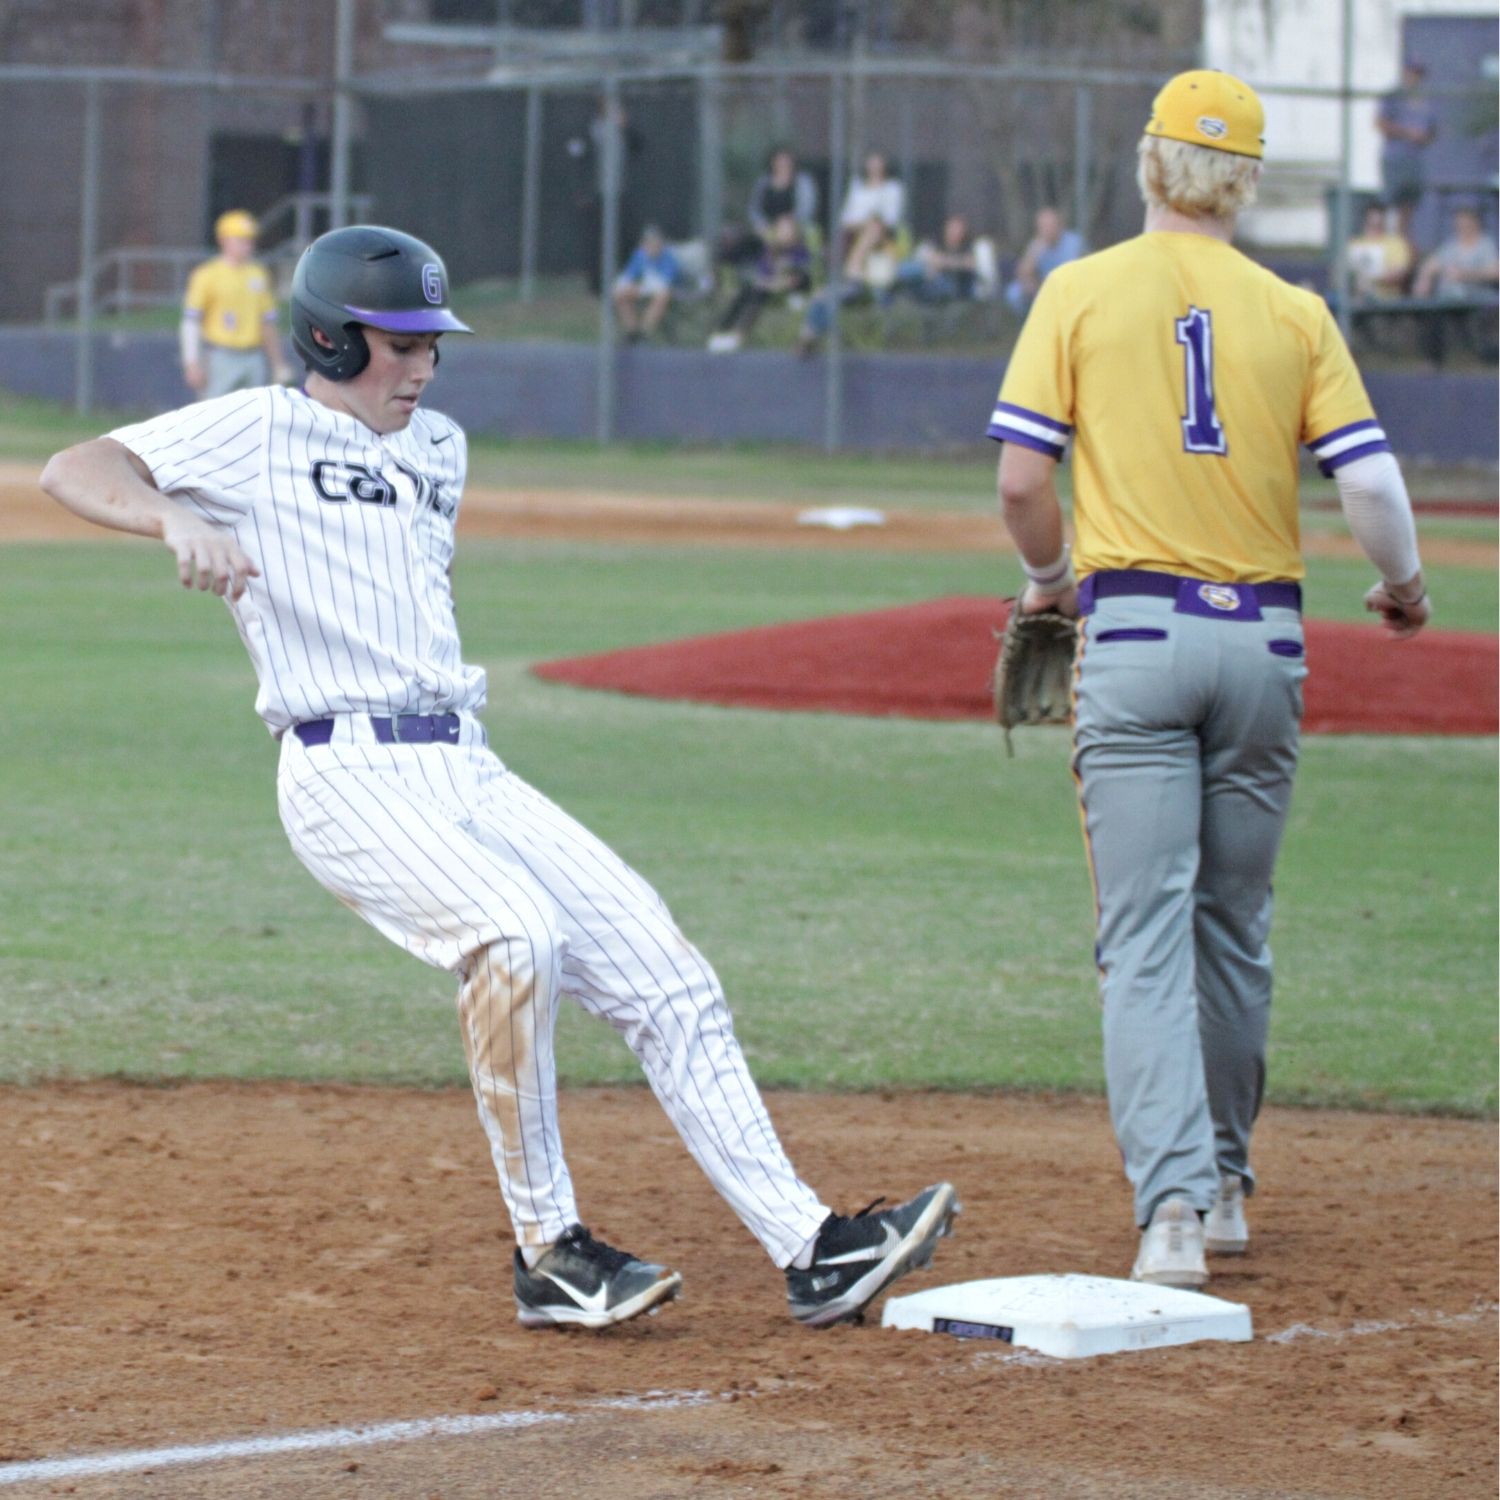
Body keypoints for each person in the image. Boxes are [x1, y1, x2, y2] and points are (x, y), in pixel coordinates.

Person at [39, 223, 958, 1332]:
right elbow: (76, 467)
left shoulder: (440, 448)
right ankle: (549, 1251)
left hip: (464, 764)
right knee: (516, 938)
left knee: (668, 975)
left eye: (434, 343)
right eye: (401, 343)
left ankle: (813, 1246)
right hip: (345, 773)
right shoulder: (255, 428)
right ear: (330, 341)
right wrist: (173, 513)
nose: (424, 365)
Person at [987, 71, 1430, 1289]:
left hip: (1135, 636)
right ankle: (1227, 1187)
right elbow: (1371, 484)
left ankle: (1173, 1213)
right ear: (1246, 182)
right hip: (1265, 646)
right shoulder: (1296, 311)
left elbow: (1023, 482)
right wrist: (1402, 586)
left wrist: (1048, 581)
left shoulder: (1080, 288)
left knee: (1143, 938)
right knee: (1234, 927)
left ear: (1150, 164)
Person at [180, 210, 292, 398]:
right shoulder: (206, 275)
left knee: (254, 409)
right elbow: (192, 321)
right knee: (215, 410)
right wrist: (192, 362)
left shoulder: (258, 274)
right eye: (241, 240)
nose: (247, 245)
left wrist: (278, 363)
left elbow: (267, 322)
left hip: (253, 355)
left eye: (250, 240)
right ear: (223, 240)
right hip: (220, 355)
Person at [707, 214, 812, 351]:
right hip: (769, 285)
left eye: (788, 230)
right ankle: (722, 330)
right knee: (746, 291)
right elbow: (763, 272)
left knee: (760, 293)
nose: (785, 234)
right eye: (782, 230)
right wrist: (766, 282)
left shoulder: (800, 252)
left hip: (786, 291)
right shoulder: (771, 251)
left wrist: (774, 283)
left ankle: (739, 336)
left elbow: (797, 278)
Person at [1376, 60, 1437, 239]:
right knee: (1389, 201)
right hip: (1395, 158)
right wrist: (1406, 132)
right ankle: (1382, 240)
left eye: (1417, 73)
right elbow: (1380, 123)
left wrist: (1424, 137)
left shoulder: (1426, 100)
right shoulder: (1393, 96)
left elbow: (1432, 130)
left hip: (1415, 160)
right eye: (1411, 72)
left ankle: (1401, 243)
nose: (1414, 77)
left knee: (1408, 206)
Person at [1004, 206, 1085, 314]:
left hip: (1069, 287)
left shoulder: (1074, 243)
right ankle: (1029, 320)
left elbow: (1078, 274)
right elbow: (1022, 273)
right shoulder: (1036, 245)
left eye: (1050, 225)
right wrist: (1033, 256)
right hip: (1044, 287)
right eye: (1043, 226)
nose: (1046, 230)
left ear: (1059, 226)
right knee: (1014, 292)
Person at [838, 152, 906, 279]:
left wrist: (872, 221)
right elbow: (846, 219)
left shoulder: (893, 188)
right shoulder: (857, 188)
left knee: (874, 227)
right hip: (855, 231)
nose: (875, 167)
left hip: (883, 234)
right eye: (872, 163)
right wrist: (864, 223)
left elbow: (891, 219)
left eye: (878, 163)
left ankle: (853, 267)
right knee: (870, 227)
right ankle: (855, 268)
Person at [888, 213, 982, 305]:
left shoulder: (968, 246)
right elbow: (928, 257)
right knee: (911, 270)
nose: (955, 232)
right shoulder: (937, 241)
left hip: (952, 285)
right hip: (930, 280)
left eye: (958, 229)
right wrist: (941, 263)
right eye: (952, 228)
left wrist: (943, 262)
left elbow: (970, 263)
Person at [612, 224, 681, 342]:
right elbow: (628, 276)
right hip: (644, 288)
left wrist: (641, 288)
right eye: (648, 243)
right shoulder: (639, 256)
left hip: (664, 290)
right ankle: (632, 331)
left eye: (655, 243)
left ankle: (645, 331)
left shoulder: (668, 257)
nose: (652, 246)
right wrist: (626, 286)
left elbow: (665, 283)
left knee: (662, 296)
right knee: (619, 294)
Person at [1413, 206, 1499, 300]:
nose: (1462, 224)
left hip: (1476, 301)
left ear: (1475, 222)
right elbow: (1431, 265)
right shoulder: (1451, 245)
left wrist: (1466, 274)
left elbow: (1495, 272)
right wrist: (1424, 279)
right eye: (1459, 221)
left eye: (1466, 220)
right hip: (1447, 300)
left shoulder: (1486, 245)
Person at [1345, 201, 1414, 302]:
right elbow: (1341, 274)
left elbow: (1400, 274)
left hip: (1387, 303)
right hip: (1357, 302)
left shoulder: (1396, 243)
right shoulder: (1354, 244)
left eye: (1379, 225)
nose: (1375, 229)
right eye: (1372, 225)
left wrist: (1372, 279)